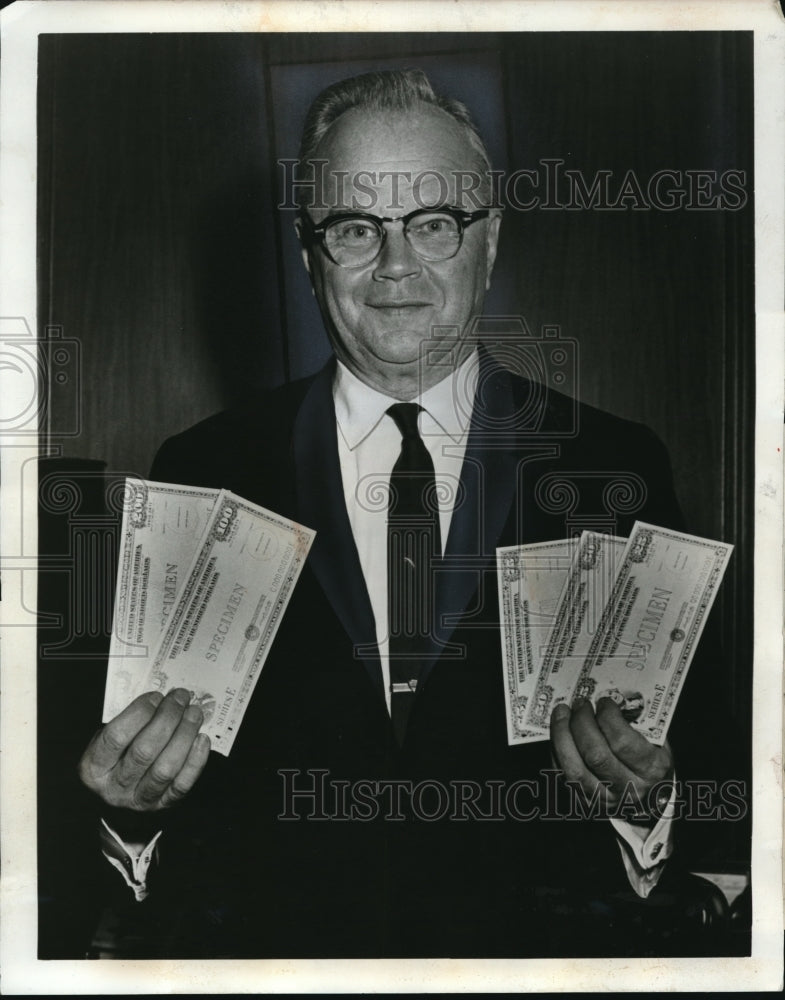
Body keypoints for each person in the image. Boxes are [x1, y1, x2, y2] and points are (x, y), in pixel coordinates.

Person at [72, 69, 730, 958]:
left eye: (433, 223)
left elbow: (714, 788)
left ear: (488, 240)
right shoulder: (205, 472)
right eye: (353, 228)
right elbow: (167, 828)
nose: (394, 268)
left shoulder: (613, 465)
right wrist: (132, 818)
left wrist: (646, 808)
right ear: (309, 257)